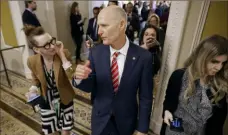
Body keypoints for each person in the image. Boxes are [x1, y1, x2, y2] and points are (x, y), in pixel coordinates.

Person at [73, 6, 153, 135]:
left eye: (104, 26)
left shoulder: (144, 57)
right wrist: (79, 78)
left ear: (121, 25)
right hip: (100, 121)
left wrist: (142, 129)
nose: (99, 32)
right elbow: (90, 86)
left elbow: (145, 97)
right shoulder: (96, 52)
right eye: (99, 26)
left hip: (126, 123)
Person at [161, 35, 228, 135]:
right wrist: (166, 111)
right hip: (174, 131)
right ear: (202, 57)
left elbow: (217, 125)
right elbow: (169, 101)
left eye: (223, 63)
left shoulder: (220, 87)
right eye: (214, 61)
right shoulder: (178, 76)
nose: (219, 67)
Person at [23, 25, 75, 135]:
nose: (52, 46)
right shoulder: (32, 61)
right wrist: (32, 90)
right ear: (36, 49)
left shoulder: (63, 53)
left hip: (65, 98)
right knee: (51, 131)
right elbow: (36, 79)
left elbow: (72, 75)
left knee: (66, 131)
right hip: (46, 100)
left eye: (52, 41)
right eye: (46, 45)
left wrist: (61, 55)